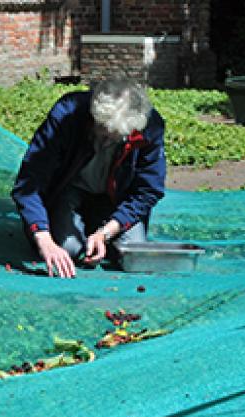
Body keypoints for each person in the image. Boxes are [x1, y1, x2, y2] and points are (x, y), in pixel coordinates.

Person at [11, 77, 166, 278]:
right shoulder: (66, 114)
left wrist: (105, 233)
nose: (105, 141)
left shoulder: (150, 127)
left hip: (115, 198)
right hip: (70, 190)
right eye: (102, 131)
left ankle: (96, 229)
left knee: (130, 254)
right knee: (67, 249)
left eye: (115, 137)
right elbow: (29, 182)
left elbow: (148, 190)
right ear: (93, 115)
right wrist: (44, 240)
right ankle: (78, 228)